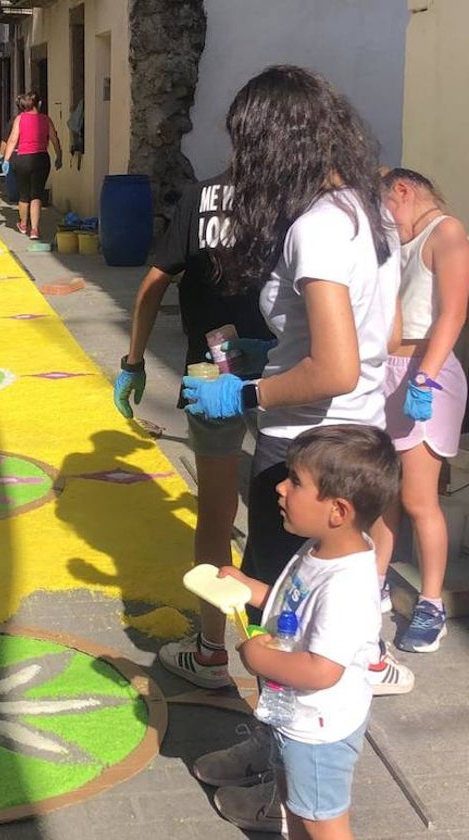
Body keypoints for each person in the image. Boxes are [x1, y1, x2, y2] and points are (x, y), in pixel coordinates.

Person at [181, 65, 410, 835]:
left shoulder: (316, 224)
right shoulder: (365, 207)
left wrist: (243, 392)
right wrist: (268, 351)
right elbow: (365, 346)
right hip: (350, 428)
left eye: (248, 148)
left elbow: (336, 364)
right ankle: (272, 751)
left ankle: (279, 768)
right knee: (302, 606)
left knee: (286, 621)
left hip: (305, 445)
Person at [112, 172, 275, 689]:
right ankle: (296, 644)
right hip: (289, 370)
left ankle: (210, 649)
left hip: (213, 370)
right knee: (288, 503)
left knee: (217, 507)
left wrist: (134, 360)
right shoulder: (301, 194)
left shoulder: (204, 195)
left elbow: (154, 282)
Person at [214, 425, 398, 840]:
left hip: (318, 729)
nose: (280, 487)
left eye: (296, 481)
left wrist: (257, 656)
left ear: (338, 511)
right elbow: (293, 605)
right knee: (297, 810)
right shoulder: (320, 548)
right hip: (294, 717)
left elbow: (321, 670)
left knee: (322, 822)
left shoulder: (346, 585)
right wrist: (253, 590)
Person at [376, 168, 469, 652]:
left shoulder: (446, 232)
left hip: (424, 373)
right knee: (382, 493)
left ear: (404, 191)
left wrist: (426, 378)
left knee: (418, 498)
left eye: (384, 204)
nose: (384, 218)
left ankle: (430, 603)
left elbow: (454, 312)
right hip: (388, 371)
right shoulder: (397, 243)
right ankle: (375, 588)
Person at [0, 91, 63, 242]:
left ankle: (23, 224)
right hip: (41, 158)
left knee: (24, 194)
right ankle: (34, 229)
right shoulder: (46, 119)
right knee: (36, 194)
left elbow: (13, 139)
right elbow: (54, 140)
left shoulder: (20, 119)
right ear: (39, 104)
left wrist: (6, 159)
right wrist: (59, 156)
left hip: (22, 159)